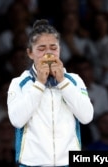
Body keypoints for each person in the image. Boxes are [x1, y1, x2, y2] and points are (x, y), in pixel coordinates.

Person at [7, 19, 94, 167]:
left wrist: (62, 81)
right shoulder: (19, 83)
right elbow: (17, 120)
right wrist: (39, 84)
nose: (48, 53)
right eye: (41, 49)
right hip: (32, 165)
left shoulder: (74, 80)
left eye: (53, 48)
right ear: (30, 53)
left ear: (60, 49)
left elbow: (86, 117)